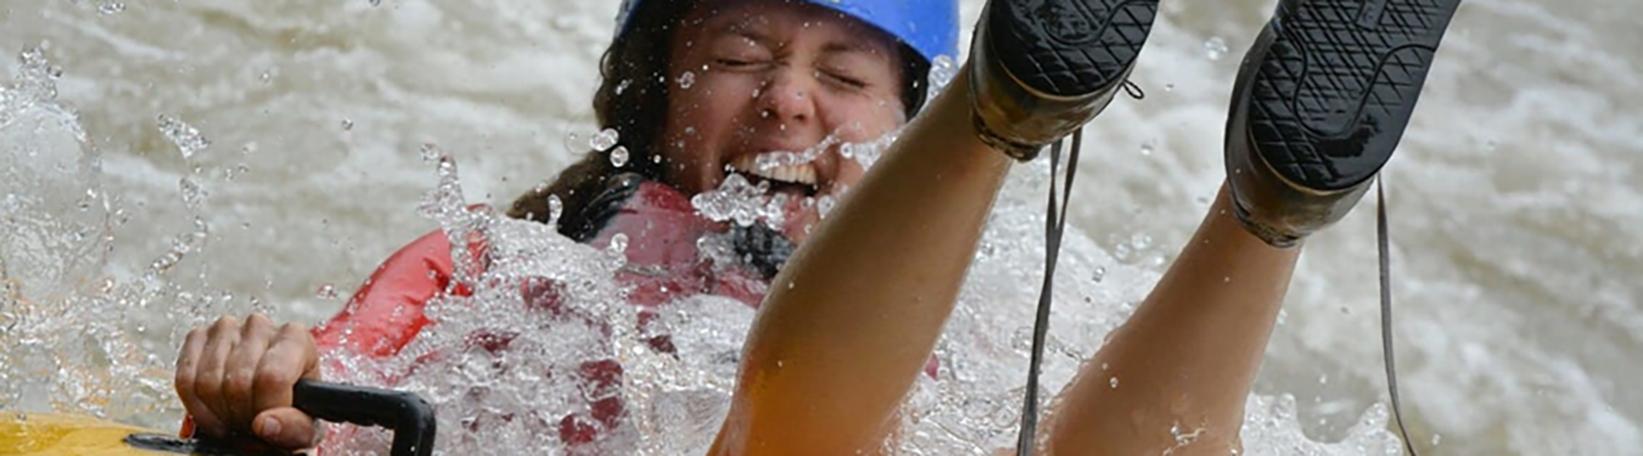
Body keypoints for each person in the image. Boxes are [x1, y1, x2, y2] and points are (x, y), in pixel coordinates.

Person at [172, 0, 1462, 454]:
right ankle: (1272, 212)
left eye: (846, 80)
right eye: (739, 55)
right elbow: (318, 396)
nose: (789, 100)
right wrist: (258, 382)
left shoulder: (993, 308)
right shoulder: (495, 267)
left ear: (893, 128)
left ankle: (1253, 190)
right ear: (653, 93)